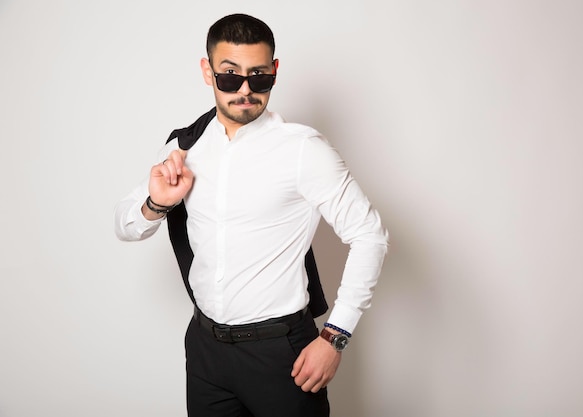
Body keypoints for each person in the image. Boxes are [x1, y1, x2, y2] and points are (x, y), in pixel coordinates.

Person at [114, 13, 388, 417]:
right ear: (208, 72)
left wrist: (335, 337)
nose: (245, 90)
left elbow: (370, 236)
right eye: (230, 76)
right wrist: (157, 203)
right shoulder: (185, 147)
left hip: (281, 354)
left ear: (274, 71)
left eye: (258, 76)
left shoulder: (302, 150)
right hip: (206, 350)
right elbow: (124, 226)